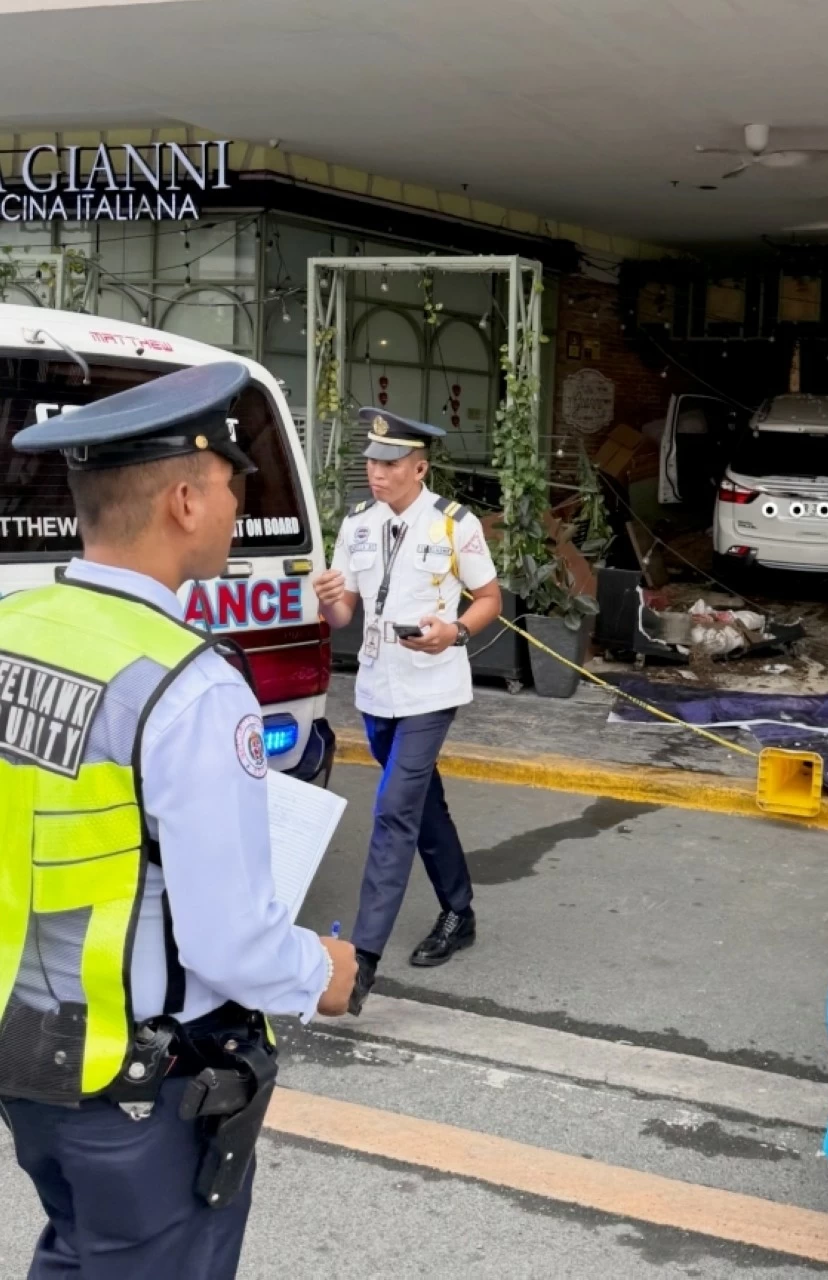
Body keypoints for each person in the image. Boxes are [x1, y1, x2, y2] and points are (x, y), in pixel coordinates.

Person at [0, 361, 358, 1279]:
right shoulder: (190, 685)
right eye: (237, 486)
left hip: (27, 1048)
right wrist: (322, 970)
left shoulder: (16, 627)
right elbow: (228, 940)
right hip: (138, 1080)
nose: (240, 509)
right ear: (188, 501)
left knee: (80, 1251)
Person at [312, 409, 502, 1014]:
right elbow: (345, 617)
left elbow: (490, 598)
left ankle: (362, 962)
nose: (376, 473)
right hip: (376, 690)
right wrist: (330, 602)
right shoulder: (358, 525)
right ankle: (459, 911)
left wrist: (455, 631)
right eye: (371, 461)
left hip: (430, 688)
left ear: (419, 467)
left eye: (389, 464)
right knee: (422, 805)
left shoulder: (454, 525)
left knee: (394, 810)